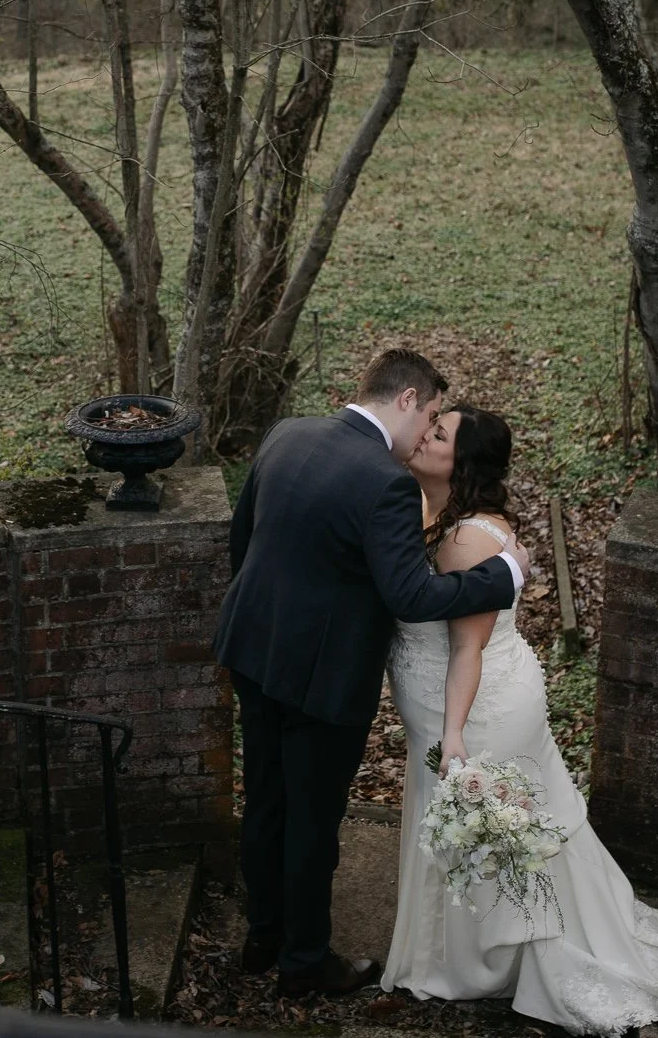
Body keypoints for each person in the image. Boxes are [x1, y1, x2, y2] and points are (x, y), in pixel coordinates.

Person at [381, 404, 658, 1033]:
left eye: (438, 433)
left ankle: (514, 958)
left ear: (464, 463)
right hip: (448, 705)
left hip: (475, 710)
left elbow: (467, 646)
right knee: (479, 830)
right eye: (429, 425)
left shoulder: (464, 540)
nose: (423, 435)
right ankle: (462, 947)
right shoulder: (431, 512)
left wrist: (455, 734)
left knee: (497, 833)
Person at [216, 349, 529, 998]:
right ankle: (303, 965)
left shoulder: (288, 433)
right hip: (321, 680)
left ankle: (263, 934)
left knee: (265, 799)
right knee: (312, 820)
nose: (428, 433)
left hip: (252, 649)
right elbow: (412, 595)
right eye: (433, 415)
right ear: (408, 399)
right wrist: (504, 575)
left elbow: (241, 541)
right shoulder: (383, 480)